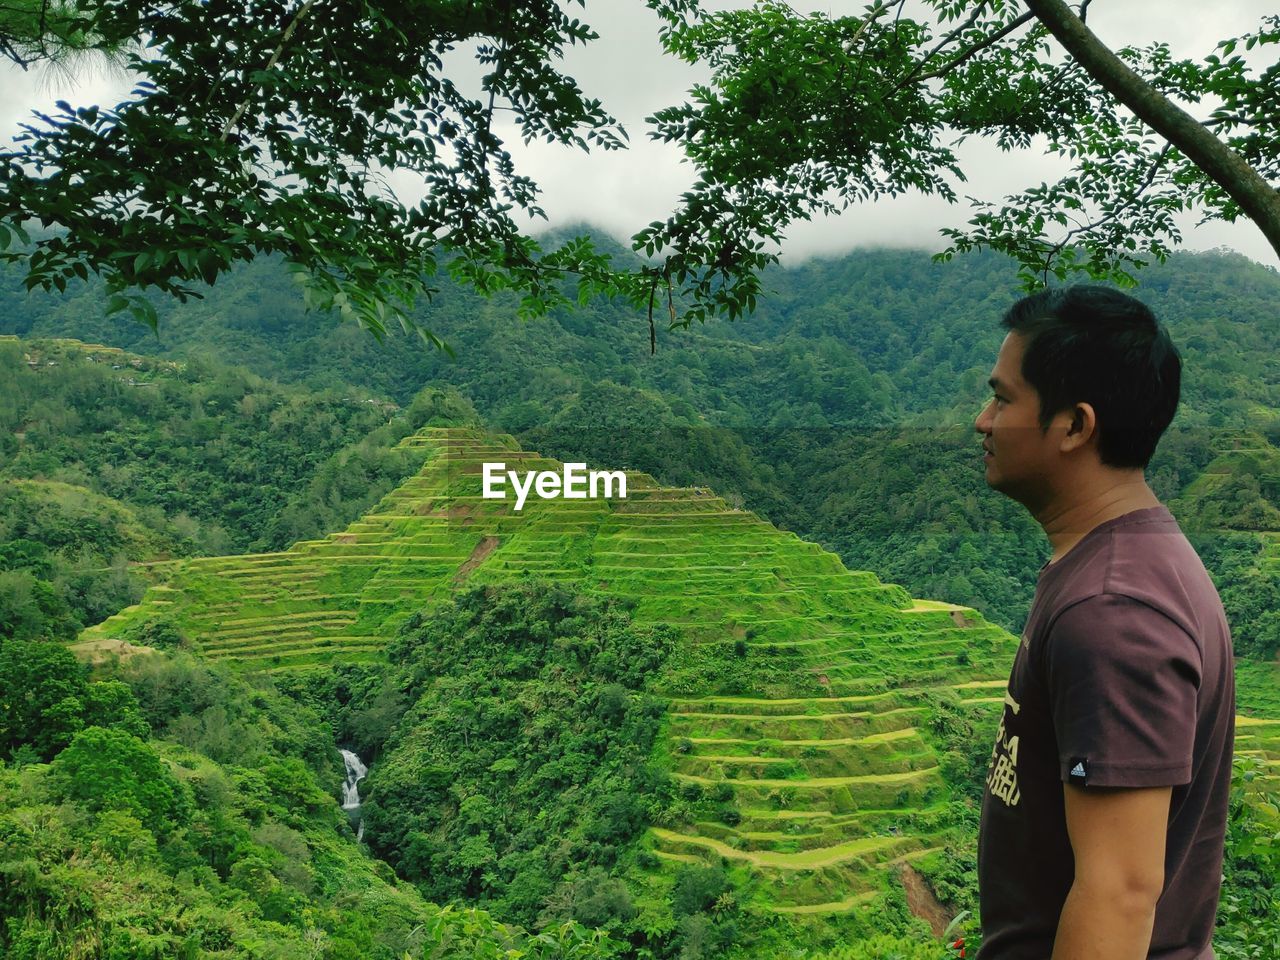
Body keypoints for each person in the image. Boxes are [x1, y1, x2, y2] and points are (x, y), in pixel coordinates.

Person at [972, 285, 1235, 960]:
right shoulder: (1118, 569)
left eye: (1003, 399)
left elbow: (1118, 892)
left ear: (1074, 426)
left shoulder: (1113, 611)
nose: (983, 420)